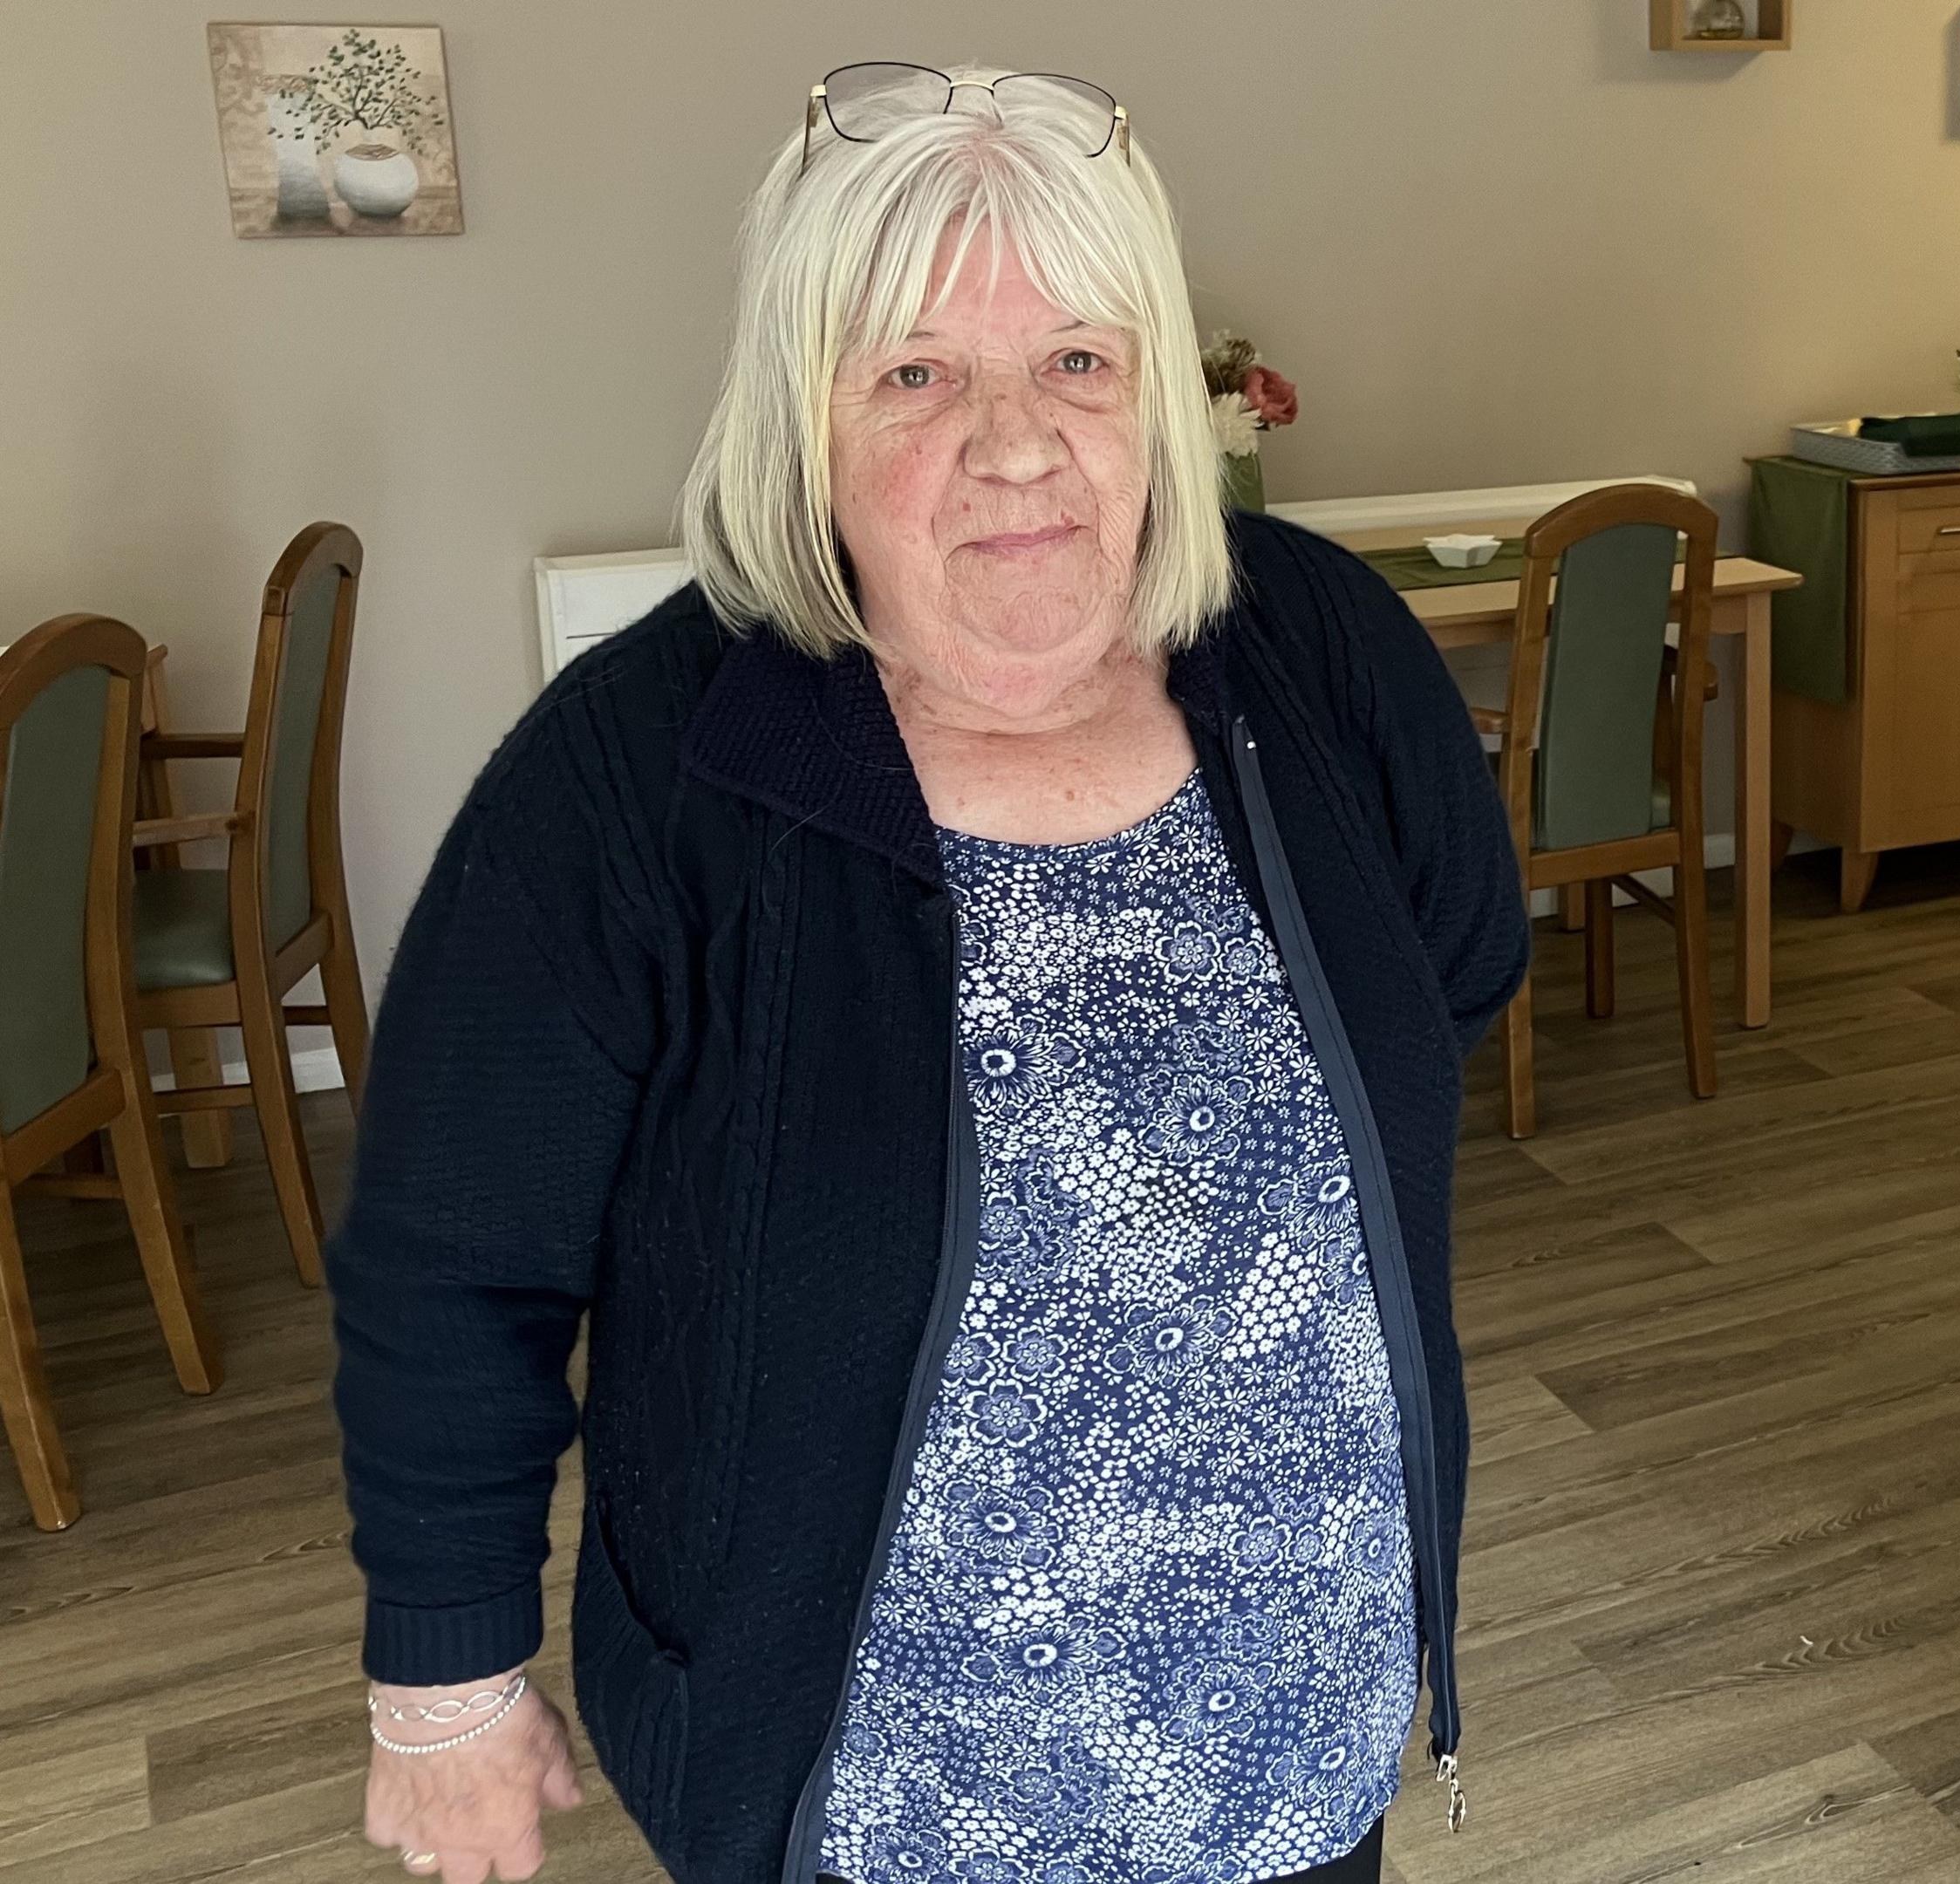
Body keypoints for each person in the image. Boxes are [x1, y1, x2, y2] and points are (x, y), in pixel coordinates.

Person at [331, 62, 1525, 1884]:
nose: (1017, 440)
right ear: (798, 417)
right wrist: (443, 1690)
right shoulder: (639, 768)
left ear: (1159, 397)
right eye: (915, 373)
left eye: (1076, 360)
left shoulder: (1318, 651)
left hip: (1296, 1742)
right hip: (874, 1801)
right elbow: (449, 1259)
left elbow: (1453, 969)